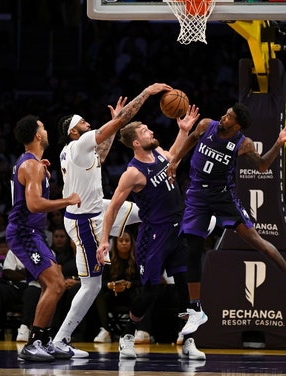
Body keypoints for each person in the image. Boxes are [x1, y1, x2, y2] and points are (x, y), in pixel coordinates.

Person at [165, 103, 286, 336]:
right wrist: (175, 160)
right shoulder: (206, 125)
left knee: (255, 240)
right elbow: (192, 139)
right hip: (196, 194)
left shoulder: (243, 144)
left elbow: (263, 166)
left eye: (229, 117)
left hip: (222, 195)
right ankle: (196, 310)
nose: (223, 117)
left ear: (237, 125)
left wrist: (278, 142)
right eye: (225, 113)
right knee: (192, 249)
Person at [51, 82, 171, 358]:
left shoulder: (79, 150)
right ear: (72, 131)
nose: (88, 123)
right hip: (84, 222)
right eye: (83, 122)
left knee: (150, 210)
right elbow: (124, 119)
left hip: (97, 209)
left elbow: (101, 157)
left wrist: (114, 124)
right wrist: (147, 93)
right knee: (91, 285)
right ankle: (60, 340)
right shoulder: (79, 143)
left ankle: (190, 219)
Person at [97, 108, 206, 360]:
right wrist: (105, 239)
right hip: (154, 236)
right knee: (151, 292)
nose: (151, 131)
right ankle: (127, 335)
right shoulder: (132, 173)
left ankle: (188, 340)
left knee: (184, 288)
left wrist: (183, 131)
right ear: (136, 142)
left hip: (178, 230)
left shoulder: (158, 153)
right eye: (146, 131)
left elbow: (172, 156)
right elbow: (113, 207)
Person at [6, 114, 82, 361]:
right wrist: (67, 201)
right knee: (56, 284)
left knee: (55, 283)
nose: (47, 131)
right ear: (38, 135)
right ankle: (34, 342)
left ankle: (45, 340)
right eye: (43, 127)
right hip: (24, 232)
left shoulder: (32, 164)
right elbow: (34, 203)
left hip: (31, 232)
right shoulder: (32, 165)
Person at [93, 231, 142, 344]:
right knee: (98, 293)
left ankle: (139, 330)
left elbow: (141, 281)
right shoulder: (108, 258)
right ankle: (105, 330)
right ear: (115, 243)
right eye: (121, 241)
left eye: (127, 240)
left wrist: (129, 284)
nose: (124, 243)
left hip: (130, 294)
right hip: (113, 294)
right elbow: (102, 281)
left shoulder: (137, 259)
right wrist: (111, 285)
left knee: (140, 292)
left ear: (131, 243)